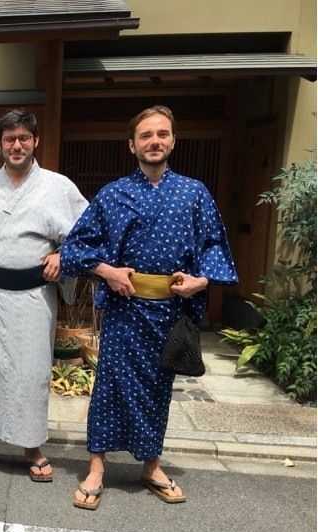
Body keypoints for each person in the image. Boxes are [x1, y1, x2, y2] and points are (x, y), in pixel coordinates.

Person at [60, 105, 238, 510]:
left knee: (159, 390)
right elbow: (74, 249)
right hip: (125, 309)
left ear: (173, 140)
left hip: (171, 310)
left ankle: (151, 465)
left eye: (161, 134)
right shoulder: (113, 194)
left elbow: (213, 246)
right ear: (132, 145)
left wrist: (202, 281)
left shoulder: (194, 193)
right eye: (145, 136)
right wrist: (107, 271)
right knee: (109, 388)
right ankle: (97, 468)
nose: (154, 141)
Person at [0, 108, 88, 481]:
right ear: (0, 144)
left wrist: (62, 255)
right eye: (10, 139)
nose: (17, 145)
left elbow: (86, 234)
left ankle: (32, 446)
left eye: (24, 138)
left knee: (31, 373)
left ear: (35, 141)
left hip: (34, 296)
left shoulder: (59, 187)